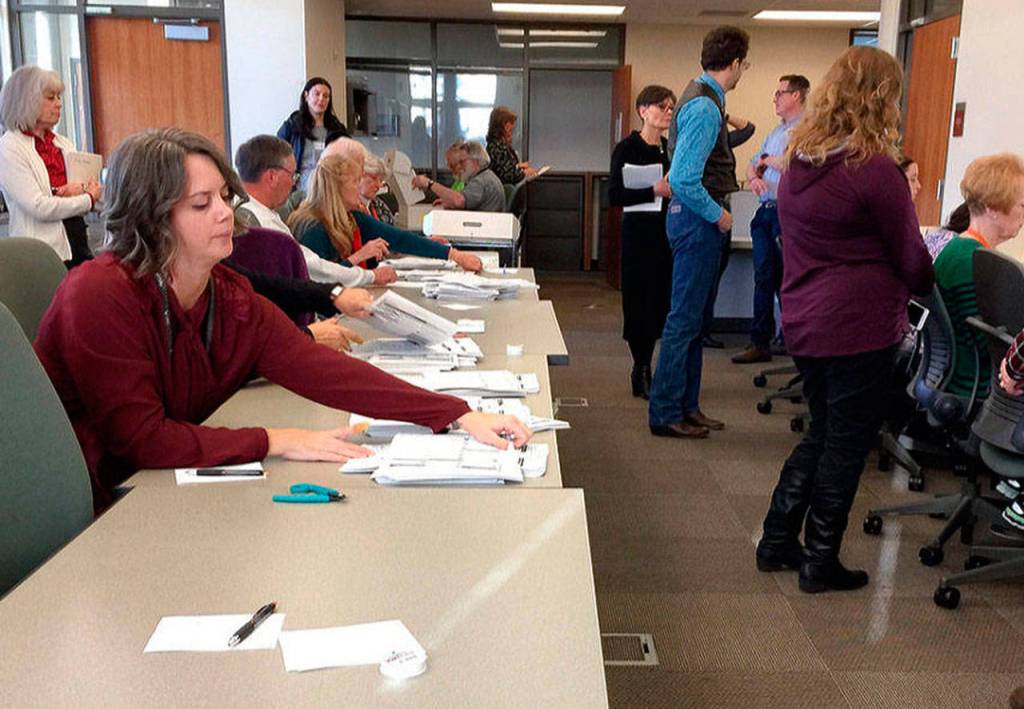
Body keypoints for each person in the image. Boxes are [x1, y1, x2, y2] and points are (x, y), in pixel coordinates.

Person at [33, 128, 530, 513]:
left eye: (224, 198)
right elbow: (141, 439)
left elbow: (323, 371)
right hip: (97, 511)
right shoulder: (98, 295)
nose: (225, 214)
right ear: (151, 216)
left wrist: (455, 413)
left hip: (167, 491)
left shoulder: (225, 293)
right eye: (201, 204)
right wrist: (276, 439)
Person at [755, 46, 934, 594]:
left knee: (824, 431)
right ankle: (820, 560)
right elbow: (913, 262)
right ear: (881, 100)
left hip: (805, 319)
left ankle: (777, 539)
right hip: (857, 327)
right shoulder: (874, 170)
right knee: (847, 444)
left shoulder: (800, 164)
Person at [647, 26, 750, 439]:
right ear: (736, 63)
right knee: (684, 321)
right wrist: (718, 215)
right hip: (697, 220)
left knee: (694, 322)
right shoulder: (706, 107)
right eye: (745, 65)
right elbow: (684, 179)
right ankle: (666, 411)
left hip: (690, 219)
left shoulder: (703, 98)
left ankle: (687, 406)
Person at [233, 134, 391, 288]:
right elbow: (312, 269)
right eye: (293, 175)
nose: (293, 183)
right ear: (272, 177)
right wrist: (371, 276)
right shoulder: (260, 223)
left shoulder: (251, 213)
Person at [732, 74, 810, 365]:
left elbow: (798, 165)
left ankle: (791, 339)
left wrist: (766, 161)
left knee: (788, 280)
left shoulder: (808, 131)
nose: (775, 98)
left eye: (780, 93)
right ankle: (760, 341)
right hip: (765, 211)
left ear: (796, 96)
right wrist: (755, 177)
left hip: (788, 214)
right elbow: (752, 165)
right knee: (764, 277)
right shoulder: (776, 133)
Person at [292, 154, 482, 271]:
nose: (359, 187)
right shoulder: (314, 228)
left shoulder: (351, 216)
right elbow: (319, 280)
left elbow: (398, 238)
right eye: (355, 182)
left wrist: (452, 254)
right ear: (337, 188)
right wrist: (358, 257)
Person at [933, 153, 1024, 397]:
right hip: (979, 386)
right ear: (993, 208)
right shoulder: (974, 263)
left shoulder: (956, 248)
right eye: (1022, 205)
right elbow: (993, 346)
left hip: (957, 380)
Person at [608, 85, 675, 400]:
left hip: (666, 232)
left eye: (671, 108)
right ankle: (641, 366)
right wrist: (652, 191)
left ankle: (651, 366)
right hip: (637, 233)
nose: (667, 113)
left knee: (660, 300)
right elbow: (615, 195)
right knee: (638, 301)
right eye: (662, 107)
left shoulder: (670, 149)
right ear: (643, 111)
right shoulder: (626, 148)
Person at [0, 65, 102, 267]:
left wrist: (84, 192)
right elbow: (38, 206)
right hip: (39, 253)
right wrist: (87, 199)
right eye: (50, 98)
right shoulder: (9, 147)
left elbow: (91, 191)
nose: (59, 104)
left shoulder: (63, 143)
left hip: (76, 241)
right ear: (27, 102)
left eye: (59, 97)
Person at [699, 113, 757, 350]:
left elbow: (748, 128)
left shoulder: (722, 141)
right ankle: (701, 329)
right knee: (706, 275)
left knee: (715, 273)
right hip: (713, 204)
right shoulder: (707, 145)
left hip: (724, 203)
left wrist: (726, 116)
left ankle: (705, 328)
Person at [277, 77, 348, 191]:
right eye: (317, 94)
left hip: (330, 190)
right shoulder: (292, 126)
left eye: (326, 96)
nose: (321, 99)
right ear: (306, 96)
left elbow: (348, 157)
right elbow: (276, 157)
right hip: (299, 192)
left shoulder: (337, 129)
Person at [413, 140, 505, 212]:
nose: (460, 166)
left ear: (475, 162)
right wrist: (449, 201)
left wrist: (429, 183)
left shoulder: (481, 181)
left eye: (462, 162)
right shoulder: (486, 176)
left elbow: (459, 201)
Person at [486, 106, 536, 184]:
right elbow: (507, 175)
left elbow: (506, 167)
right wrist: (524, 173)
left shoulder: (501, 145)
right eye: (509, 128)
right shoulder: (496, 147)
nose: (510, 132)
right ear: (502, 125)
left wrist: (518, 166)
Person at [360, 153, 396, 225]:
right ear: (359, 176)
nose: (378, 185)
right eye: (374, 178)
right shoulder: (346, 208)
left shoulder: (380, 206)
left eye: (380, 181)